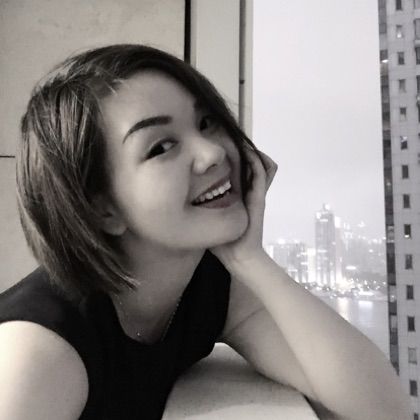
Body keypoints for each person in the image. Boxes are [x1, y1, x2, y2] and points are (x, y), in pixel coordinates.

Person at [0, 44, 410, 420]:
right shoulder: (35, 353)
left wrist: (249, 258)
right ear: (102, 209)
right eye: (161, 147)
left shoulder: (211, 287)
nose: (213, 153)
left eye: (207, 122)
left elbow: (381, 409)